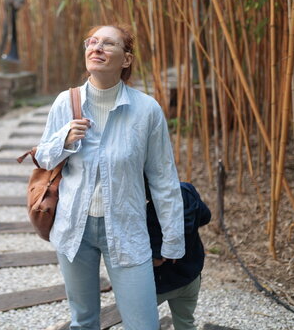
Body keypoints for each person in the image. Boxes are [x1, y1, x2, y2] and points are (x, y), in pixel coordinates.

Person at [34, 24, 185, 330]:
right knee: (84, 321)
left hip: (127, 228)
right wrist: (64, 138)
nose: (97, 47)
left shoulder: (146, 111)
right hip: (74, 227)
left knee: (143, 324)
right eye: (92, 42)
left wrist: (172, 240)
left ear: (126, 59)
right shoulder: (67, 102)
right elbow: (43, 158)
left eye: (108, 44)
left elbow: (163, 179)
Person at [146, 180, 211, 330]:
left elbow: (157, 260)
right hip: (190, 276)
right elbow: (206, 217)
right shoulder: (187, 190)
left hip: (159, 284)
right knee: (186, 323)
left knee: (141, 323)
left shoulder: (148, 211)